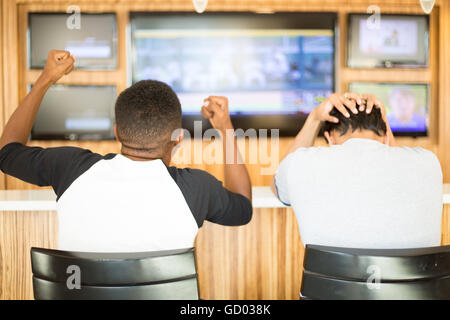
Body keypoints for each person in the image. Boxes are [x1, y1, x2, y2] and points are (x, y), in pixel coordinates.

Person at [0, 50, 252, 252]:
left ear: (117, 132)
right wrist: (226, 129)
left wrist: (46, 78)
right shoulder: (197, 188)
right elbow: (243, 208)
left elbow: (7, 153)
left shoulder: (69, 167)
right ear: (178, 139)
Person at [271, 92, 442, 249]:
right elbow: (395, 157)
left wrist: (315, 118)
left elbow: (277, 187)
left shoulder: (302, 163)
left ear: (329, 137)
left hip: (331, 284)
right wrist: (383, 117)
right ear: (385, 135)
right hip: (415, 283)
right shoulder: (429, 162)